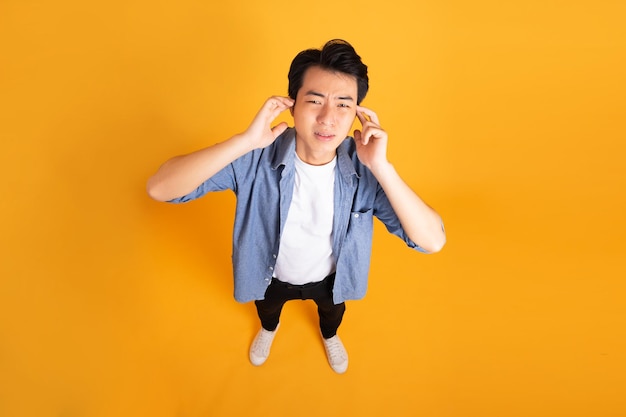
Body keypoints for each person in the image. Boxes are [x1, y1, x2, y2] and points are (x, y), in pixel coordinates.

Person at [146, 39, 446, 374]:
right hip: (269, 274)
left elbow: (432, 240)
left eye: (343, 106)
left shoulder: (365, 170)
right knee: (268, 311)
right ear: (292, 105)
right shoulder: (256, 158)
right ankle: (268, 329)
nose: (327, 118)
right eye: (315, 101)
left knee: (332, 315)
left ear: (358, 114)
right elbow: (160, 189)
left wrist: (382, 168)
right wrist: (245, 141)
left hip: (331, 280)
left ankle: (329, 335)